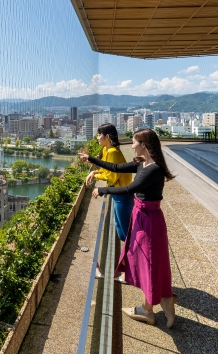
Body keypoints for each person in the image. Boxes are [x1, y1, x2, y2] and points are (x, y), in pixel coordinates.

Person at [79, 128, 177, 328]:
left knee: (148, 261)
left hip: (149, 219)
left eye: (134, 143)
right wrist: (92, 160)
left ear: (144, 145)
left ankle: (148, 309)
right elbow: (115, 167)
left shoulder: (153, 169)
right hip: (143, 217)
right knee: (143, 259)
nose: (131, 146)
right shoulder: (142, 163)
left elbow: (130, 189)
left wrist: (103, 189)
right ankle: (160, 299)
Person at [84, 123, 133, 281]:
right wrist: (95, 172)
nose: (97, 137)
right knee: (120, 231)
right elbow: (107, 170)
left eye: (100, 135)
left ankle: (131, 272)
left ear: (107, 137)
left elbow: (112, 177)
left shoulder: (112, 151)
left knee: (125, 233)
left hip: (123, 194)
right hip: (117, 194)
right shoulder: (106, 150)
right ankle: (126, 269)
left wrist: (96, 175)